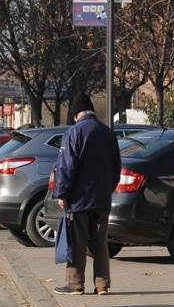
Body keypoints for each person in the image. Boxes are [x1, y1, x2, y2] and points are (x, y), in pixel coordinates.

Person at [51, 92, 122, 295]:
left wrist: (62, 194)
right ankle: (102, 284)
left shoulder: (74, 133)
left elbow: (66, 167)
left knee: (77, 241)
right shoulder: (108, 132)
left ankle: (75, 284)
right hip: (102, 198)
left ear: (75, 114)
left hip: (79, 199)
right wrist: (108, 188)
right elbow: (117, 166)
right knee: (100, 242)